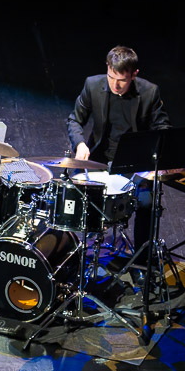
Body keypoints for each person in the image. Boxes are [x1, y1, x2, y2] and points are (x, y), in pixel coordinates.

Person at [65, 45, 171, 267]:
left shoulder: (150, 92)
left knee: (146, 202)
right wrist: (81, 143)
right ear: (107, 68)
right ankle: (71, 255)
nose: (115, 85)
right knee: (70, 193)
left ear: (134, 75)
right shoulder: (92, 85)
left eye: (122, 80)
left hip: (134, 161)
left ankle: (142, 262)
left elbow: (163, 127)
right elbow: (74, 119)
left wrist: (156, 158)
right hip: (100, 158)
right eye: (111, 77)